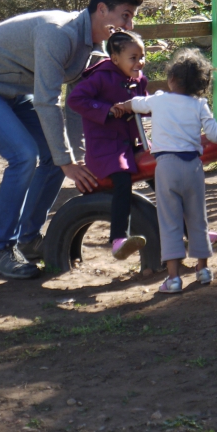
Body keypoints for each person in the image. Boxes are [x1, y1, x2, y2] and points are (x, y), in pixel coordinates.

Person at [0, 0, 143, 280]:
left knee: (52, 153)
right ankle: (1, 251)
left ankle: (28, 240)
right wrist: (67, 162)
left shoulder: (94, 46)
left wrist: (75, 157)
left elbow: (81, 103)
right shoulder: (58, 34)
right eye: (126, 15)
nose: (130, 24)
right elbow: (48, 101)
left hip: (12, 90)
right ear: (102, 10)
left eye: (132, 18)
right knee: (24, 156)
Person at [116, 48, 217, 294]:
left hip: (165, 168)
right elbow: (215, 137)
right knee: (197, 218)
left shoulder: (159, 99)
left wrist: (122, 105)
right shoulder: (199, 105)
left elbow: (136, 104)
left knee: (170, 222)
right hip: (193, 168)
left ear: (172, 79)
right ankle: (203, 270)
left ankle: (173, 279)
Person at [66, 30, 149, 262]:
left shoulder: (139, 80)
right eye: (133, 58)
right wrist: (107, 109)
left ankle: (190, 231)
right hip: (107, 151)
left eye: (142, 56)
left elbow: (146, 107)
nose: (139, 62)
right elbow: (76, 100)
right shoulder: (101, 77)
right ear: (115, 59)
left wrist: (144, 104)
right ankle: (118, 239)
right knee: (122, 181)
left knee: (165, 173)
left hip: (132, 144)